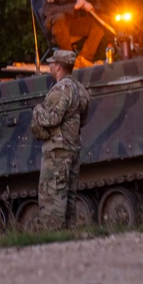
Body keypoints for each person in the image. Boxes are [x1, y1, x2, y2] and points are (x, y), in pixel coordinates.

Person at [30, 49, 91, 229]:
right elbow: (84, 119)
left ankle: (54, 234)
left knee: (52, 194)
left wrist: (37, 110)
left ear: (58, 66)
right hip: (72, 148)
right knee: (69, 195)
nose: (49, 65)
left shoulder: (61, 89)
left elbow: (51, 118)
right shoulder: (80, 89)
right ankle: (69, 234)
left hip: (57, 151)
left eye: (51, 63)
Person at [42, 0, 105, 69]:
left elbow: (98, 4)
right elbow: (48, 10)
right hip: (54, 27)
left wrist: (90, 5)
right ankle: (69, 59)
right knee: (60, 18)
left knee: (101, 21)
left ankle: (83, 59)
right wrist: (73, 7)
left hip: (72, 26)